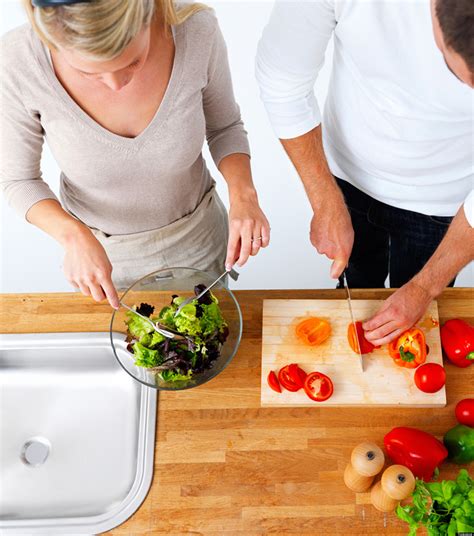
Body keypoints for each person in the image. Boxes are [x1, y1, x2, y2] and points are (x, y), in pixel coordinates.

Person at [0, 0, 270, 309]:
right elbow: (20, 180)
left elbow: (225, 127)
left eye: (133, 62)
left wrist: (244, 195)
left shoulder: (195, 30)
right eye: (90, 73)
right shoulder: (18, 61)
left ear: (148, 15)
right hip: (102, 267)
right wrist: (72, 237)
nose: (116, 85)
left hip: (200, 245)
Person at [256, 0, 473, 346]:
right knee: (357, 280)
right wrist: (324, 198)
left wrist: (425, 286)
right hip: (346, 174)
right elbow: (282, 82)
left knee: (416, 311)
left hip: (445, 203)